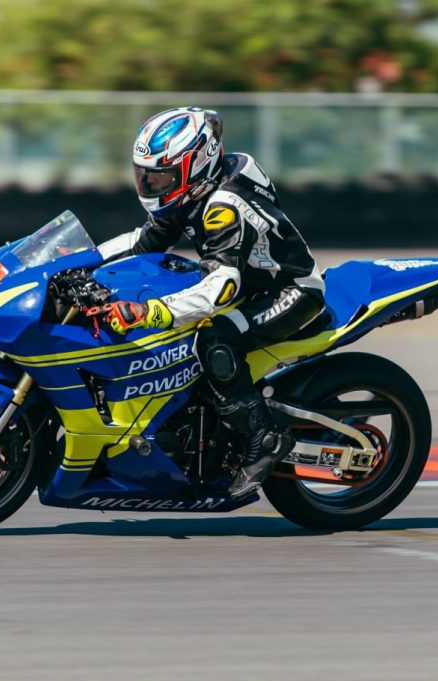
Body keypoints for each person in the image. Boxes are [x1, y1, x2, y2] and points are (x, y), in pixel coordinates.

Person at [97, 107, 325, 499]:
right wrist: (77, 262)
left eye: (161, 177)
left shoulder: (223, 206)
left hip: (290, 291)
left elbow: (223, 287)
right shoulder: (192, 191)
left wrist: (151, 312)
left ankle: (263, 440)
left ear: (195, 165)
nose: (151, 185)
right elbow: (142, 242)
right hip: (249, 285)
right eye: (145, 176)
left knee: (214, 339)